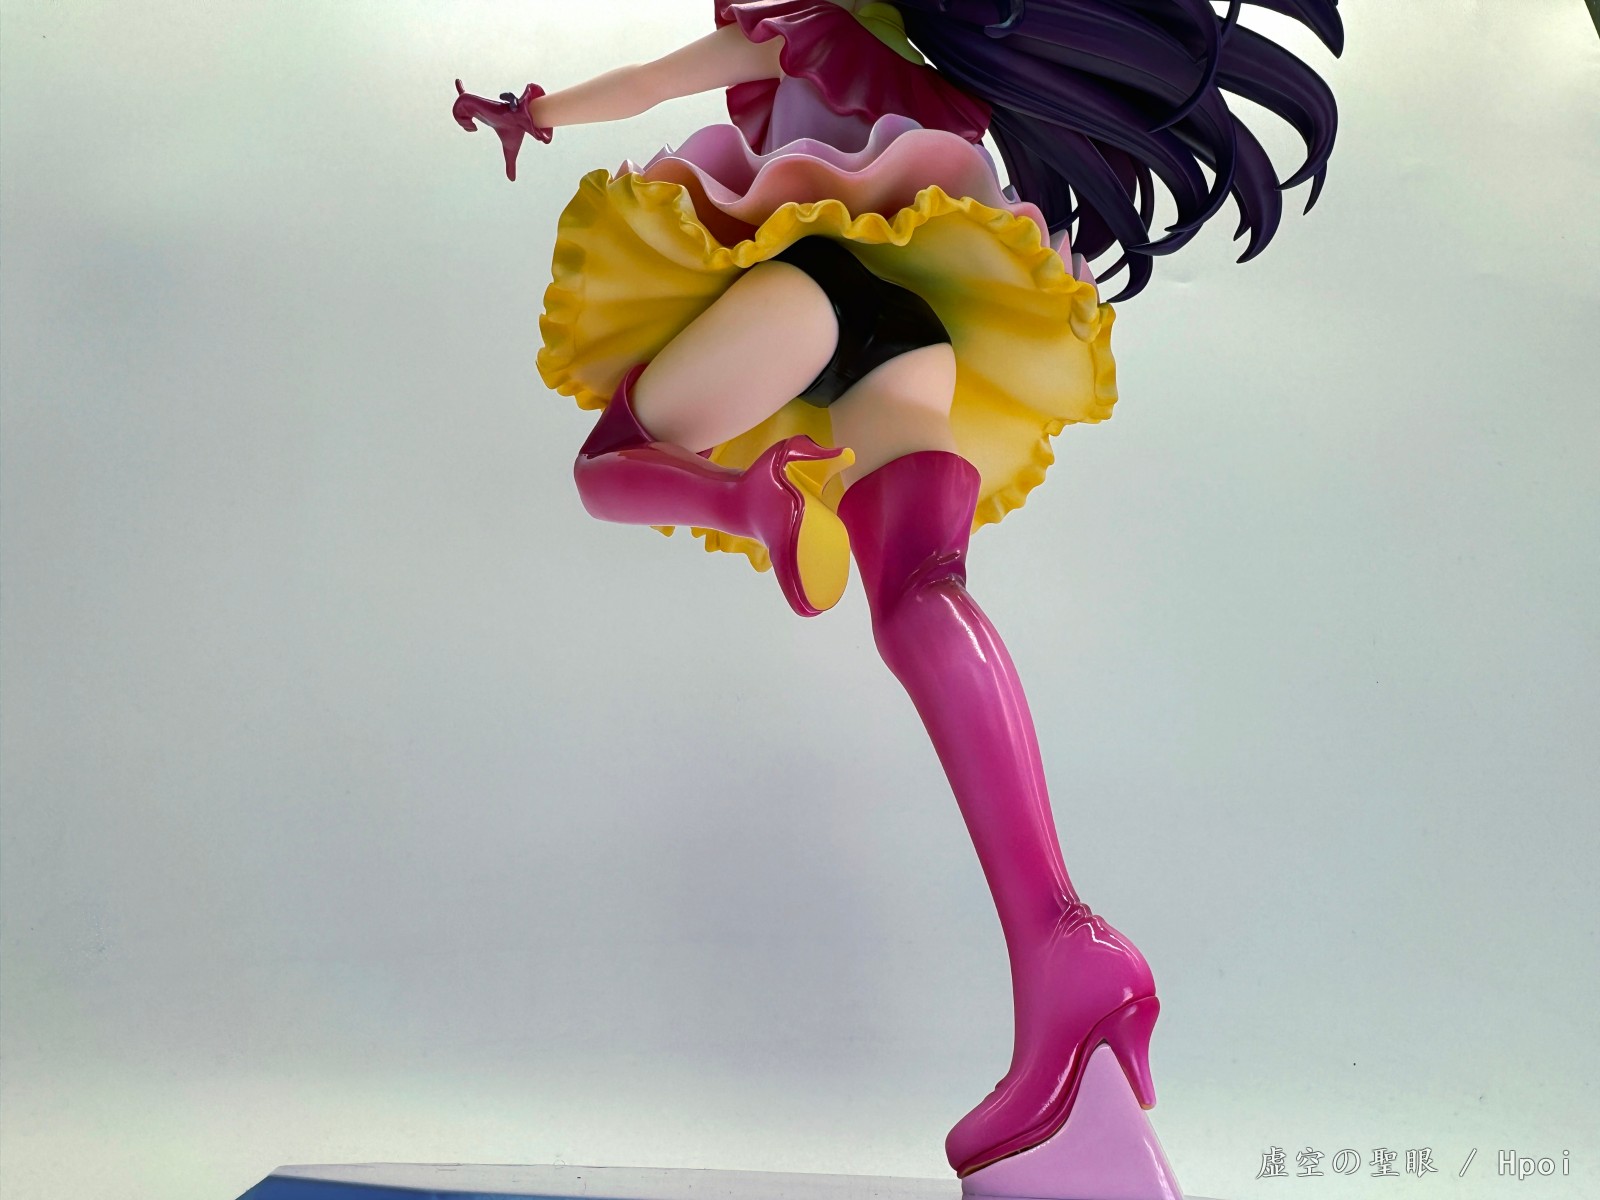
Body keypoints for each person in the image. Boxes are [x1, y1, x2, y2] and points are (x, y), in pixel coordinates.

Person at [452, 0, 1341, 1183]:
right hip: (914, 323)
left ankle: (755, 502)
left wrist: (535, 111)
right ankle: (1061, 937)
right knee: (921, 595)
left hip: (809, 290)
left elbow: (649, 81)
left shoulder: (797, 24)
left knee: (611, 462)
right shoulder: (929, 55)